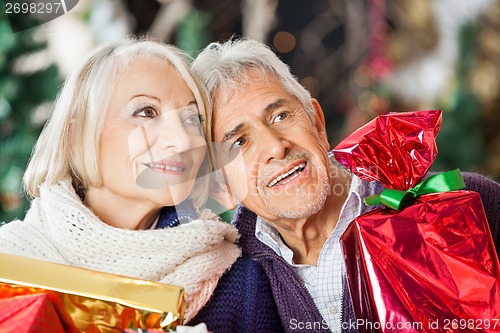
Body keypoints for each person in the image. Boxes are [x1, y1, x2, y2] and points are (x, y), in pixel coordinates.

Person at [192, 37, 500, 333]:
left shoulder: (465, 205)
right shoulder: (230, 288)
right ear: (222, 188)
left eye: (281, 116)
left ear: (318, 123)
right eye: (240, 142)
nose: (275, 147)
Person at [0, 38, 283, 332]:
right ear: (76, 136)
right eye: (146, 112)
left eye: (191, 118)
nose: (183, 140)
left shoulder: (239, 284)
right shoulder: (9, 260)